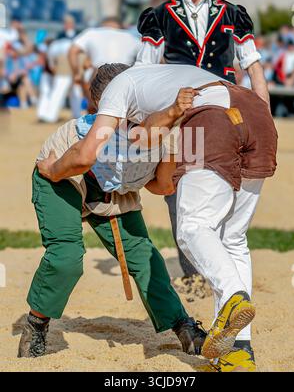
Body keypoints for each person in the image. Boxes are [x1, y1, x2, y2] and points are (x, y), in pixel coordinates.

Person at [36, 64, 278, 371]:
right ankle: (239, 351)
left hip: (213, 120)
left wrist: (53, 168)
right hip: (257, 116)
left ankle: (232, 297)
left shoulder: (120, 90)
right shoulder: (159, 84)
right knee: (232, 239)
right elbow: (157, 175)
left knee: (192, 228)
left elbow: (90, 156)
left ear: (99, 100)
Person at [18, 64, 207, 359]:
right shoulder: (97, 129)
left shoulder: (169, 133)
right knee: (66, 256)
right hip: (64, 177)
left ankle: (183, 325)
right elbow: (77, 162)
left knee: (145, 256)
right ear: (101, 104)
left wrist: (165, 164)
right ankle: (36, 324)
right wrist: (53, 171)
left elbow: (161, 186)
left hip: (114, 192)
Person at [136, 0, 270, 295]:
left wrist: (264, 115)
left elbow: (253, 68)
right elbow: (143, 70)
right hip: (185, 113)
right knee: (181, 186)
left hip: (228, 110)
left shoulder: (233, 14)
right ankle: (196, 273)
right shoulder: (160, 16)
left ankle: (218, 266)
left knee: (228, 186)